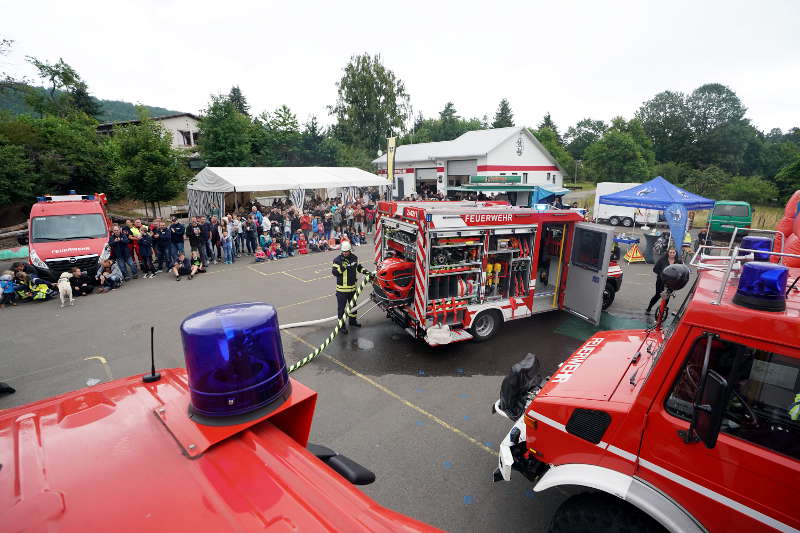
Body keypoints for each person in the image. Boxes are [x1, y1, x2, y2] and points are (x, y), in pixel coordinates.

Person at [331, 240, 368, 334]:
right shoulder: (337, 260)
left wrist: (366, 272)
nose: (345, 253)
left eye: (346, 251)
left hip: (352, 288)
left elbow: (358, 267)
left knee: (353, 307)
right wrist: (342, 267)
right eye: (343, 251)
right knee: (341, 309)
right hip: (342, 290)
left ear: (350, 250)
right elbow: (334, 273)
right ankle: (341, 326)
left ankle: (352, 321)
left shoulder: (354, 258)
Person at [646, 247, 682, 314]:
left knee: (667, 297)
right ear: (668, 253)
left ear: (676, 253)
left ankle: (662, 311)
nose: (672, 254)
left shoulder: (679, 261)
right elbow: (655, 269)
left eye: (673, 252)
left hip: (671, 283)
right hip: (661, 281)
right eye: (670, 252)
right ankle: (649, 308)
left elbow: (681, 271)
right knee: (657, 295)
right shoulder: (662, 260)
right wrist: (662, 274)